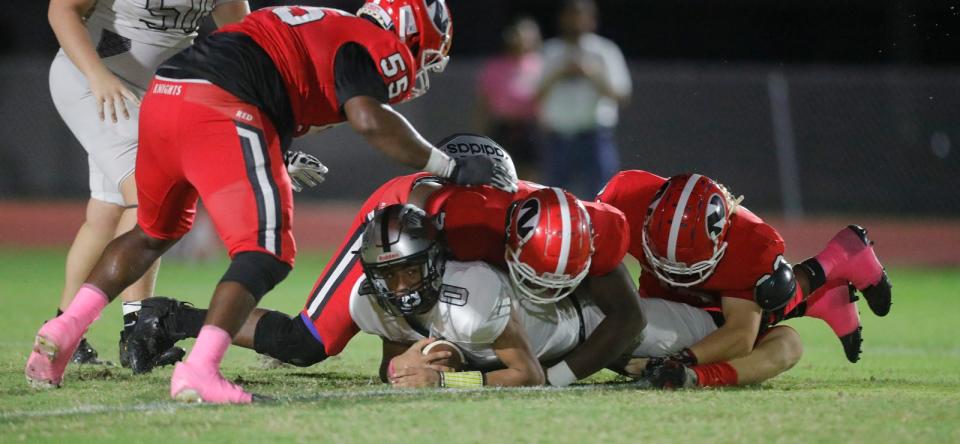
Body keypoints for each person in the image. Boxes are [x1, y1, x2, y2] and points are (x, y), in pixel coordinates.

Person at [26, 1, 516, 404]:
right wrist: (445, 166)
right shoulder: (370, 43)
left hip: (168, 90)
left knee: (153, 230)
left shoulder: (325, 23)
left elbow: (267, 70)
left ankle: (63, 333)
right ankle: (200, 370)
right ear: (412, 33)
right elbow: (369, 118)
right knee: (267, 251)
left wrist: (278, 147)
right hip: (221, 104)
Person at [125, 135, 645, 387]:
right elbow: (412, 213)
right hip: (397, 231)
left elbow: (627, 315)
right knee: (307, 344)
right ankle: (169, 317)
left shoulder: (582, 229)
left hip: (448, 242)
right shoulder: (455, 220)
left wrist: (560, 377)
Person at [46, 0, 250, 365]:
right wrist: (97, 75)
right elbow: (62, 10)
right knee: (151, 201)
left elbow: (244, 42)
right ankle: (137, 330)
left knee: (107, 214)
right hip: (92, 80)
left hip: (157, 93)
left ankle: (68, 332)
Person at [356, 203, 706, 388]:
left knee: (711, 331)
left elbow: (530, 376)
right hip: (546, 335)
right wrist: (399, 370)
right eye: (387, 274)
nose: (400, 286)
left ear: (434, 260)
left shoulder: (471, 297)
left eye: (411, 271)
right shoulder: (368, 301)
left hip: (589, 322)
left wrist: (448, 381)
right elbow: (398, 364)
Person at [597, 171, 893, 388]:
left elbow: (740, 336)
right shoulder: (624, 200)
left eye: (686, 267)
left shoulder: (748, 242)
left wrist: (684, 362)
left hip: (710, 316)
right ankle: (823, 286)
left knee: (778, 299)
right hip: (675, 310)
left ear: (722, 237)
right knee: (786, 339)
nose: (674, 274)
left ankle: (835, 262)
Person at [536, 0, 631, 199]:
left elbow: (622, 94)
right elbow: (535, 94)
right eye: (571, 15)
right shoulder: (550, 51)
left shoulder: (605, 50)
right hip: (558, 138)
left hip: (595, 137)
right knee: (553, 200)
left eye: (581, 15)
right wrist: (559, 73)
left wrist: (591, 74)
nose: (575, 21)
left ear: (592, 20)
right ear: (562, 19)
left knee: (601, 197)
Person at [475, 17, 543, 180]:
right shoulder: (495, 66)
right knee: (500, 173)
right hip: (503, 128)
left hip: (528, 129)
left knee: (529, 175)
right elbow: (483, 103)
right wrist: (479, 133)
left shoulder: (539, 65)